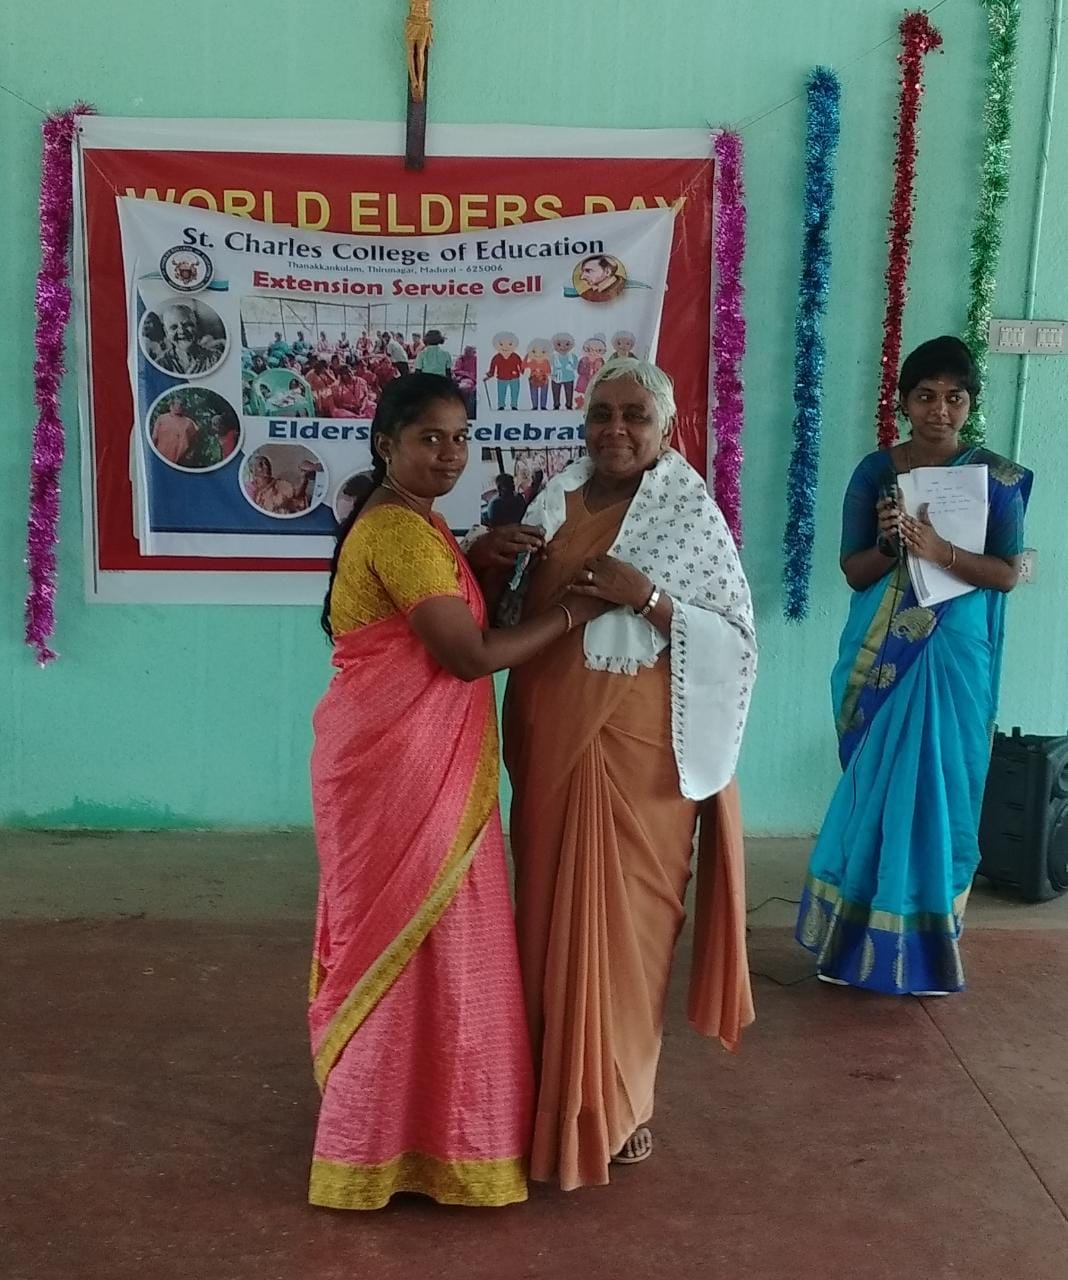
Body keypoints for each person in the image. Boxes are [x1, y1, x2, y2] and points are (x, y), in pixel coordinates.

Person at [308, 373, 608, 1211]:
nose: (449, 454)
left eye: (460, 438)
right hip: (398, 772)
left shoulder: (422, 524)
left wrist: (474, 558)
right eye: (429, 438)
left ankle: (432, 1133)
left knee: (442, 948)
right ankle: (388, 1140)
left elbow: (425, 614)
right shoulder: (398, 532)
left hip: (419, 765)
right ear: (385, 445)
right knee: (410, 943)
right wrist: (574, 615)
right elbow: (468, 657)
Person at [501, 359, 757, 1191]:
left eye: (634, 415)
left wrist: (647, 598)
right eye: (602, 413)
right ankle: (539, 1094)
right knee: (545, 911)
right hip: (551, 729)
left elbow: (735, 640)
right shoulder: (552, 501)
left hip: (642, 750)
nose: (616, 428)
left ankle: (618, 1104)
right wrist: (491, 559)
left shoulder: (690, 514)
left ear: (665, 428)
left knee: (632, 928)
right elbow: (507, 611)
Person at [796, 336, 1033, 996]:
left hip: (954, 654)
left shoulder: (997, 480)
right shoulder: (876, 471)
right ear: (904, 402)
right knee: (875, 787)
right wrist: (889, 544)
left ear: (970, 404)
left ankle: (930, 951)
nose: (939, 410)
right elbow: (854, 571)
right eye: (925, 396)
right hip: (882, 654)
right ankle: (850, 945)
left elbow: (1006, 573)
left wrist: (937, 549)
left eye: (954, 397)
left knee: (944, 787)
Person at [155, 303, 222, 375]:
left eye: (187, 324)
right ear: (166, 332)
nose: (181, 331)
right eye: (174, 327)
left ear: (196, 326)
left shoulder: (215, 359)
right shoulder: (160, 365)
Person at [245, 453, 318, 514]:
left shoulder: (279, 483)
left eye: (267, 463)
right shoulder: (250, 490)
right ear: (252, 470)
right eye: (261, 465)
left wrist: (304, 479)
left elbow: (296, 495)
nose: (266, 467)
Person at [151, 397, 199, 465]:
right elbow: (154, 438)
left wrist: (190, 454)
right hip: (161, 457)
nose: (179, 406)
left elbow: (194, 441)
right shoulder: (162, 419)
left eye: (181, 404)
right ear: (171, 406)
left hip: (180, 461)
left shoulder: (189, 423)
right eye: (177, 404)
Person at [485, 332, 523, 411]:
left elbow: (521, 366)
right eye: (501, 344)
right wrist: (489, 375)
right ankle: (501, 405)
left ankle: (514, 405)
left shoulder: (515, 356)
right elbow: (492, 368)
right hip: (501, 378)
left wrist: (525, 372)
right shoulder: (497, 357)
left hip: (514, 378)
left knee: (515, 392)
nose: (506, 347)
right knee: (501, 392)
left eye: (510, 344)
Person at [575, 333, 607, 408]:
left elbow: (603, 372)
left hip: (595, 381)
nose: (593, 353)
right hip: (584, 382)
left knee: (595, 393)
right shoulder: (583, 360)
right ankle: (581, 404)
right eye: (589, 350)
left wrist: (596, 370)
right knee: (582, 394)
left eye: (597, 351)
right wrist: (586, 367)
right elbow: (580, 371)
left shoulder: (600, 361)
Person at [550, 332, 578, 411]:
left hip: (569, 377)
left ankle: (569, 405)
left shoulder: (573, 357)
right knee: (556, 392)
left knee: (569, 392)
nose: (563, 347)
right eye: (559, 344)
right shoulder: (553, 357)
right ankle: (556, 405)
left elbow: (575, 366)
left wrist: (570, 366)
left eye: (567, 344)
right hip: (556, 377)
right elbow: (549, 366)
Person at [523, 339, 552, 411]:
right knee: (534, 393)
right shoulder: (532, 362)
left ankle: (543, 406)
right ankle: (535, 406)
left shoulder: (546, 362)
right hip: (533, 379)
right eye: (534, 352)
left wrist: (542, 373)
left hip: (544, 380)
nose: (538, 355)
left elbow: (549, 371)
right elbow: (524, 365)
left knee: (544, 393)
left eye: (543, 352)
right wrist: (526, 356)